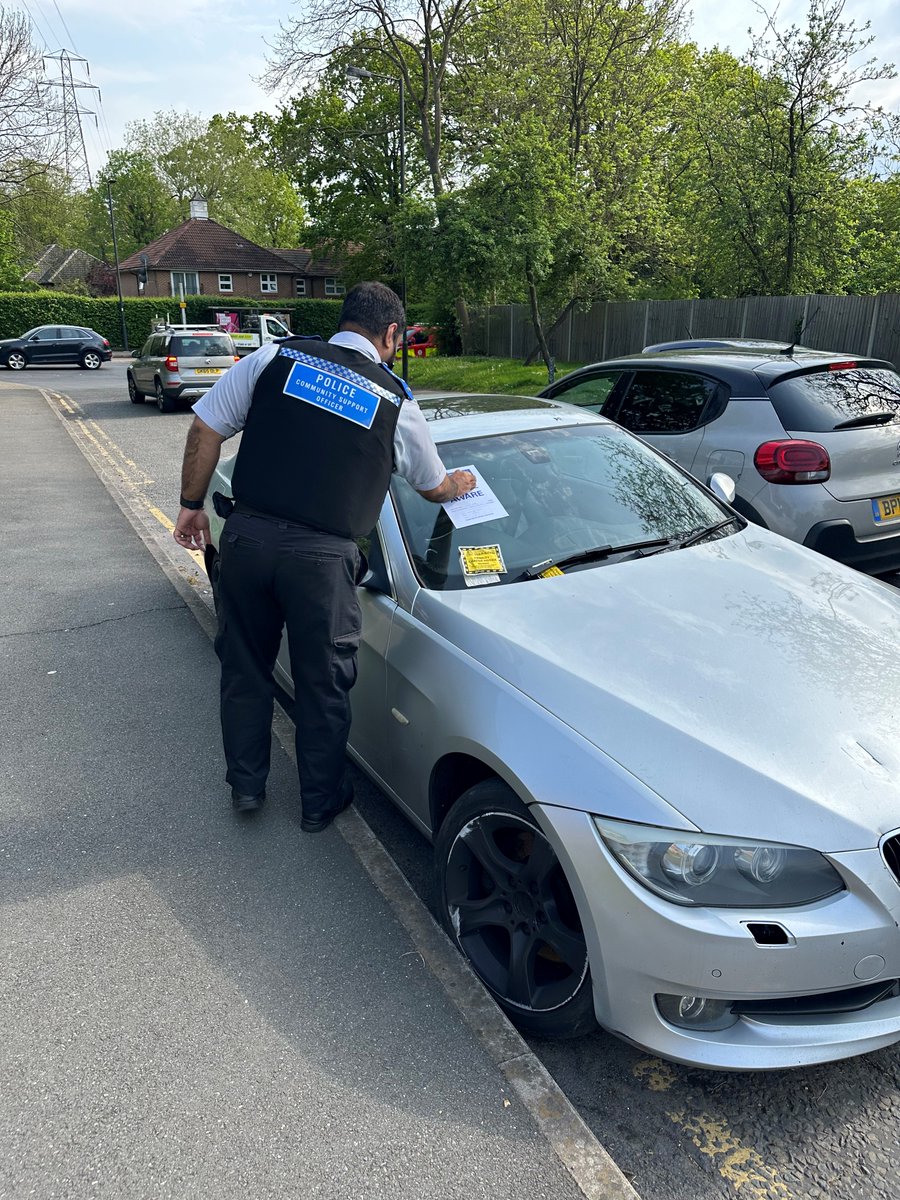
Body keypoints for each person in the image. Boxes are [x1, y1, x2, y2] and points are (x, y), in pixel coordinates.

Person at [173, 282, 475, 832]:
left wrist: (192, 505)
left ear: (342, 320)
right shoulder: (395, 401)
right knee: (323, 685)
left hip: (248, 540)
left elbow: (204, 427)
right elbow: (431, 487)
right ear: (390, 334)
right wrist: (459, 483)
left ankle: (246, 787)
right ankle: (319, 803)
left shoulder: (272, 357)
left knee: (245, 670)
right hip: (322, 563)